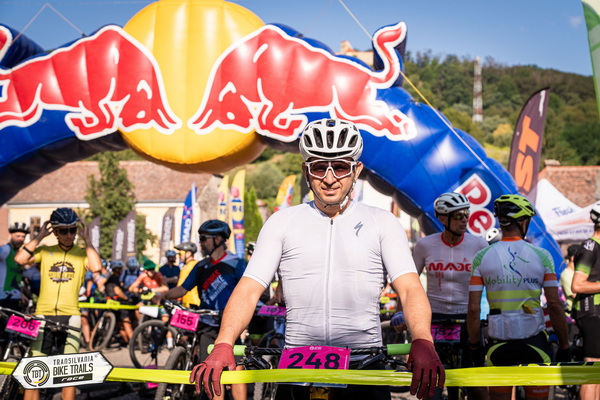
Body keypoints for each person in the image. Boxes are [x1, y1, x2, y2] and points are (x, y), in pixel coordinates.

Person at [190, 118, 443, 400]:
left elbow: (409, 288)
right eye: (319, 167)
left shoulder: (382, 222)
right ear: (306, 171)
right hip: (298, 368)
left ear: (357, 170)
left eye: (341, 167)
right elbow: (249, 290)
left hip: (363, 367)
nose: (330, 178)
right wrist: (224, 342)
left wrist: (423, 339)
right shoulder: (281, 222)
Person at [467, 195, 570, 400]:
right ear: (523, 222)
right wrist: (564, 345)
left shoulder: (481, 257)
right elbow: (554, 304)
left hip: (498, 344)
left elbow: (473, 309)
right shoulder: (543, 256)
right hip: (534, 343)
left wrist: (475, 345)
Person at [153, 219, 247, 400]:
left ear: (218, 239)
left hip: (230, 325)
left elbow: (247, 291)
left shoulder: (237, 263)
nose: (201, 243)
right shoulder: (201, 265)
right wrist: (163, 295)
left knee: (236, 372)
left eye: (204, 238)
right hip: (206, 326)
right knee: (212, 374)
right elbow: (183, 289)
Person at [14, 208, 102, 400]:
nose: (69, 235)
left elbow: (96, 267)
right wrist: (39, 237)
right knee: (34, 372)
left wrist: (87, 240)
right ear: (55, 231)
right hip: (43, 314)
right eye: (63, 231)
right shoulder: (45, 251)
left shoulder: (82, 253)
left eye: (72, 230)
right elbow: (20, 259)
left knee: (68, 375)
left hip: (71, 315)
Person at [412, 192, 488, 400]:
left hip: (466, 317)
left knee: (474, 384)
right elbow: (410, 282)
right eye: (459, 216)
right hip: (434, 317)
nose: (465, 220)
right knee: (431, 385)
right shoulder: (425, 245)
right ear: (443, 219)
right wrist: (403, 314)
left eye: (467, 215)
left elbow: (491, 283)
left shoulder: (479, 244)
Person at [571, 202, 600, 400]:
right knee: (593, 367)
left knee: (598, 371)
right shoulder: (590, 246)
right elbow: (577, 285)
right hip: (592, 312)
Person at [0, 222, 29, 310]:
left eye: (23, 237)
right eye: (17, 236)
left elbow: (17, 278)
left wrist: (22, 294)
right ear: (10, 235)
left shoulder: (19, 254)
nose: (20, 239)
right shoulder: (6, 249)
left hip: (15, 297)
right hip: (3, 297)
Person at [173, 242, 201, 308]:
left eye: (180, 254)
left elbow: (179, 289)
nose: (179, 257)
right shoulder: (196, 264)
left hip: (191, 305)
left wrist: (164, 295)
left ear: (188, 253)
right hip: (196, 304)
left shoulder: (187, 268)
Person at [561, 244, 580, 318]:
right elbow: (574, 295)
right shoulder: (566, 274)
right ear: (573, 258)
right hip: (573, 316)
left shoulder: (577, 272)